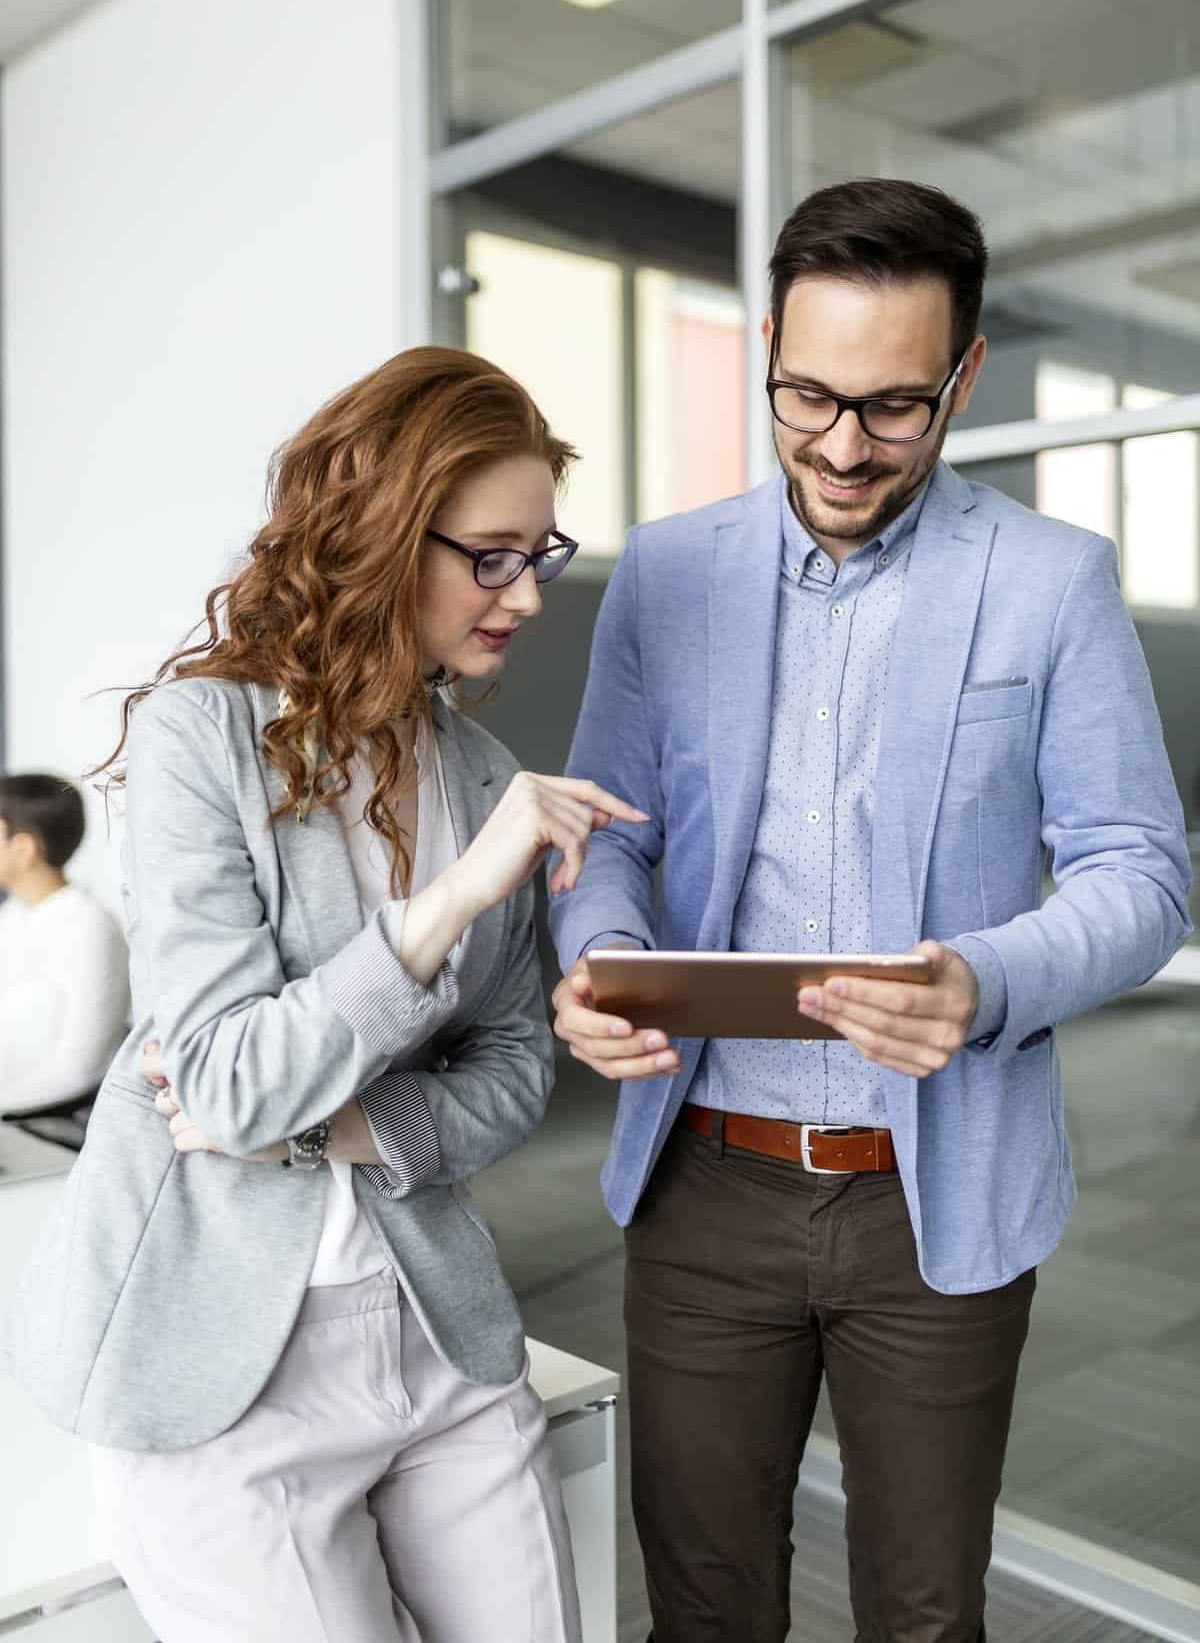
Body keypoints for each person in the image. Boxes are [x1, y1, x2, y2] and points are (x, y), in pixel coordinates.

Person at [549, 178, 1193, 1643]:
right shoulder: (665, 573)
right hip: (705, 1186)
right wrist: (604, 959)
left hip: (938, 1193)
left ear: (963, 375)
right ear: (770, 344)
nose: (844, 446)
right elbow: (606, 837)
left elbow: (1143, 874)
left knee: (922, 1612)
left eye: (896, 407)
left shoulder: (1050, 583)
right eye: (810, 395)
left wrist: (984, 977)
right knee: (705, 1608)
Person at [4, 346, 647, 1643]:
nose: (524, 595)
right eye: (493, 555)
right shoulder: (200, 738)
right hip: (216, 1370)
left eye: (542, 553)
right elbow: (230, 1075)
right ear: (383, 534)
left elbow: (518, 1067)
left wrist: (352, 1127)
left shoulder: (477, 769)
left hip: (435, 1331)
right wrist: (453, 899)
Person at [0, 773, 128, 1114]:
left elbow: (80, 1069)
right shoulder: (11, 918)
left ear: (24, 849)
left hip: (46, 1129)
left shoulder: (90, 929)